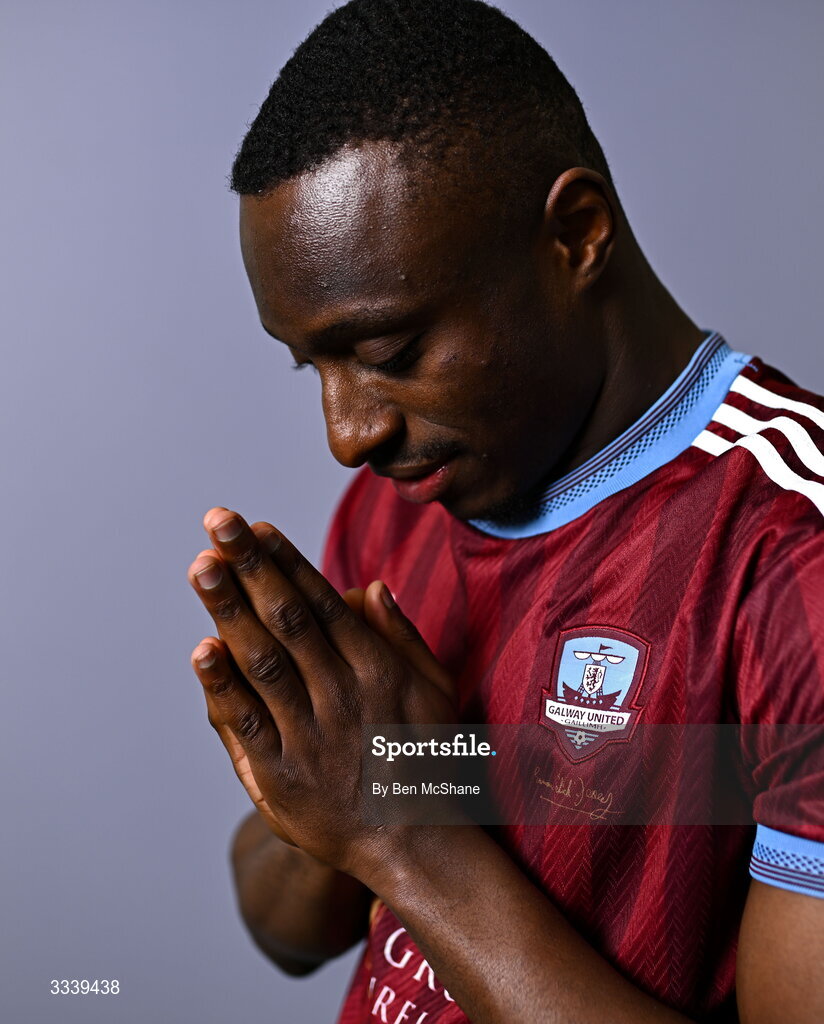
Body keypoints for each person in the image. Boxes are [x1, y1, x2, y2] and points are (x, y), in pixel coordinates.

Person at [185, 1, 824, 1021]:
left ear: (576, 234)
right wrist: (382, 776)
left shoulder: (791, 560)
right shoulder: (403, 505)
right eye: (313, 366)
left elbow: (388, 840)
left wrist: (403, 835)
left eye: (391, 353)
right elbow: (287, 931)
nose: (347, 434)